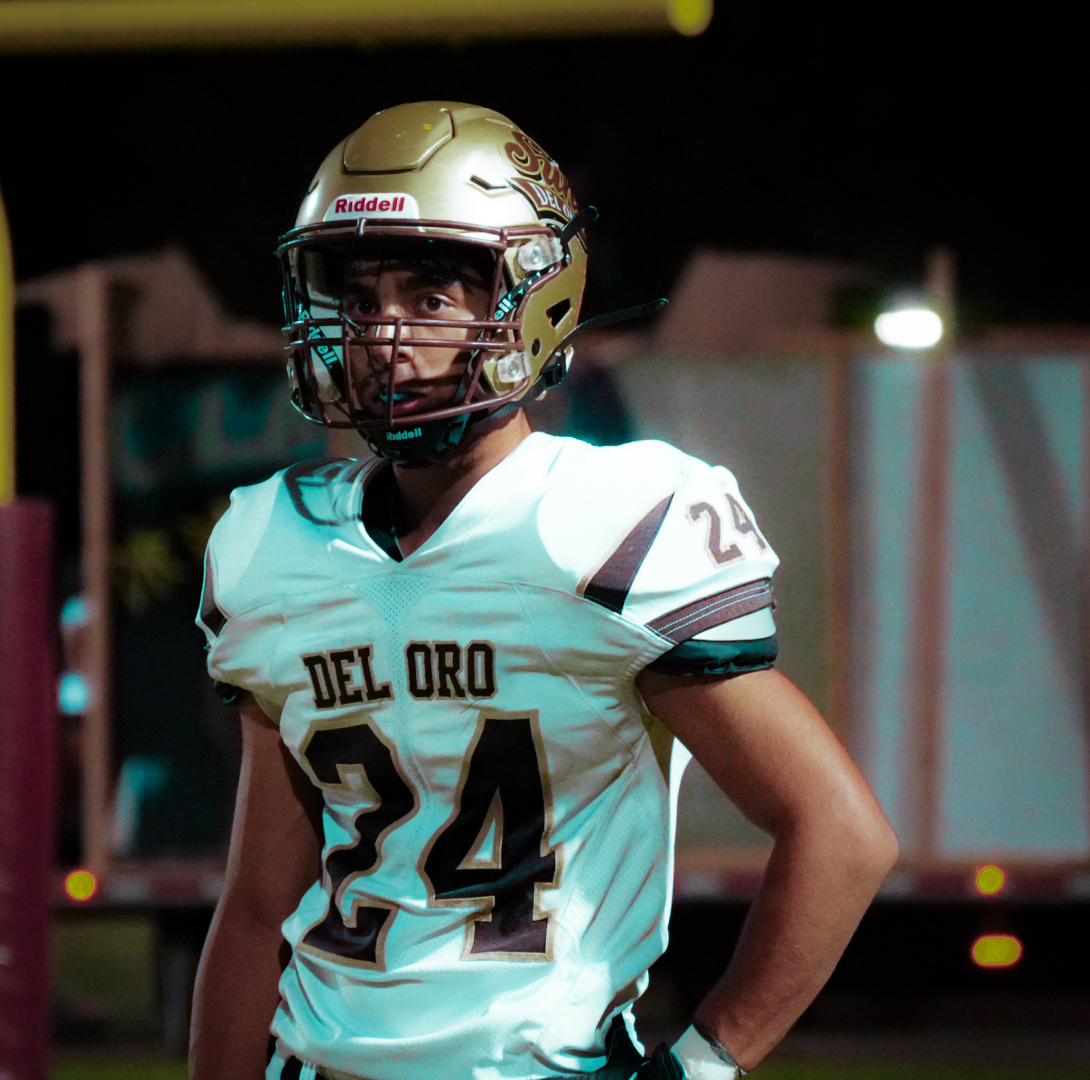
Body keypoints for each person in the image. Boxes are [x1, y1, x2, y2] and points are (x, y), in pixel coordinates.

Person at [190, 101, 897, 1080]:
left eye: (429, 298)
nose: (381, 335)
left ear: (531, 299)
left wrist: (704, 1060)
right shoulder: (273, 545)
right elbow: (258, 908)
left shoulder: (609, 524)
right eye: (358, 300)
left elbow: (839, 833)